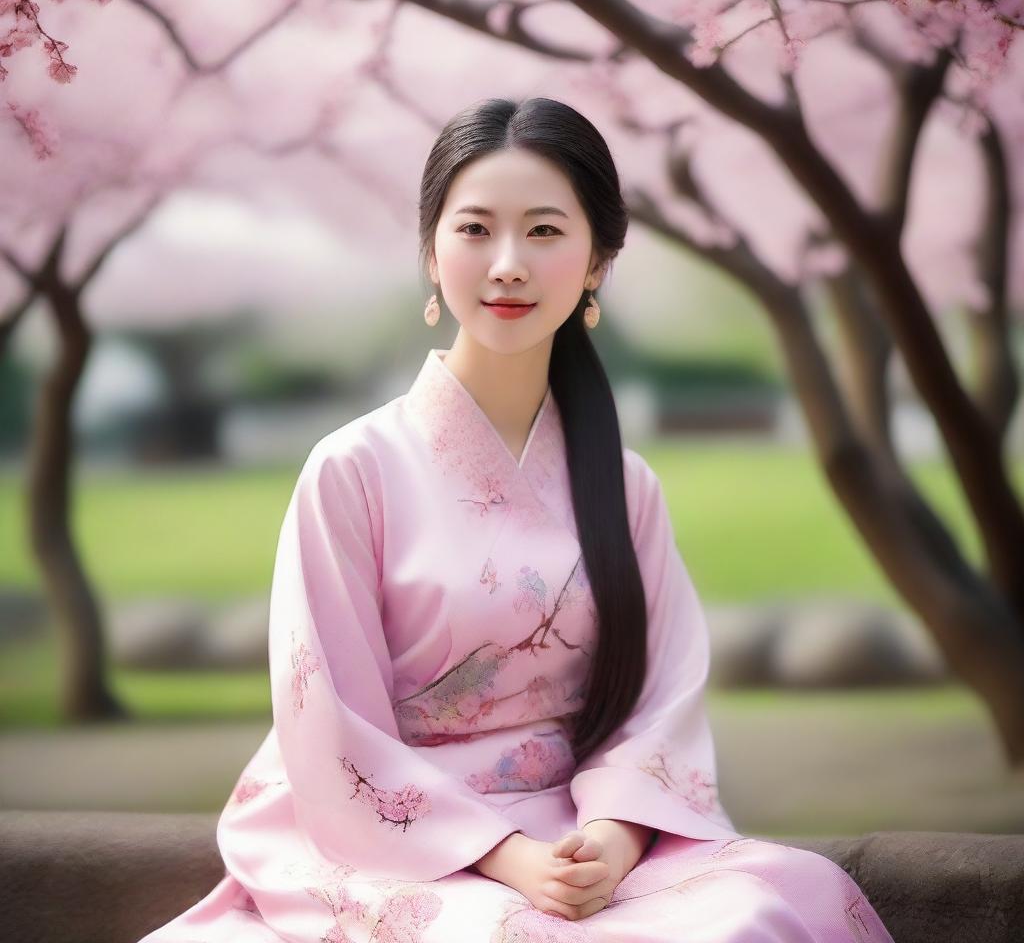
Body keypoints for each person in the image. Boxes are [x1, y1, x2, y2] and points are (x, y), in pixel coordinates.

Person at [136, 97, 896, 942]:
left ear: (599, 259)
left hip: (581, 825)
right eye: (474, 231)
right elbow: (332, 725)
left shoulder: (626, 485)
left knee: (777, 904)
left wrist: (610, 838)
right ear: (430, 250)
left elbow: (659, 701)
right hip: (400, 837)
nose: (508, 265)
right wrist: (506, 856)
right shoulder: (352, 471)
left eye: (543, 231)